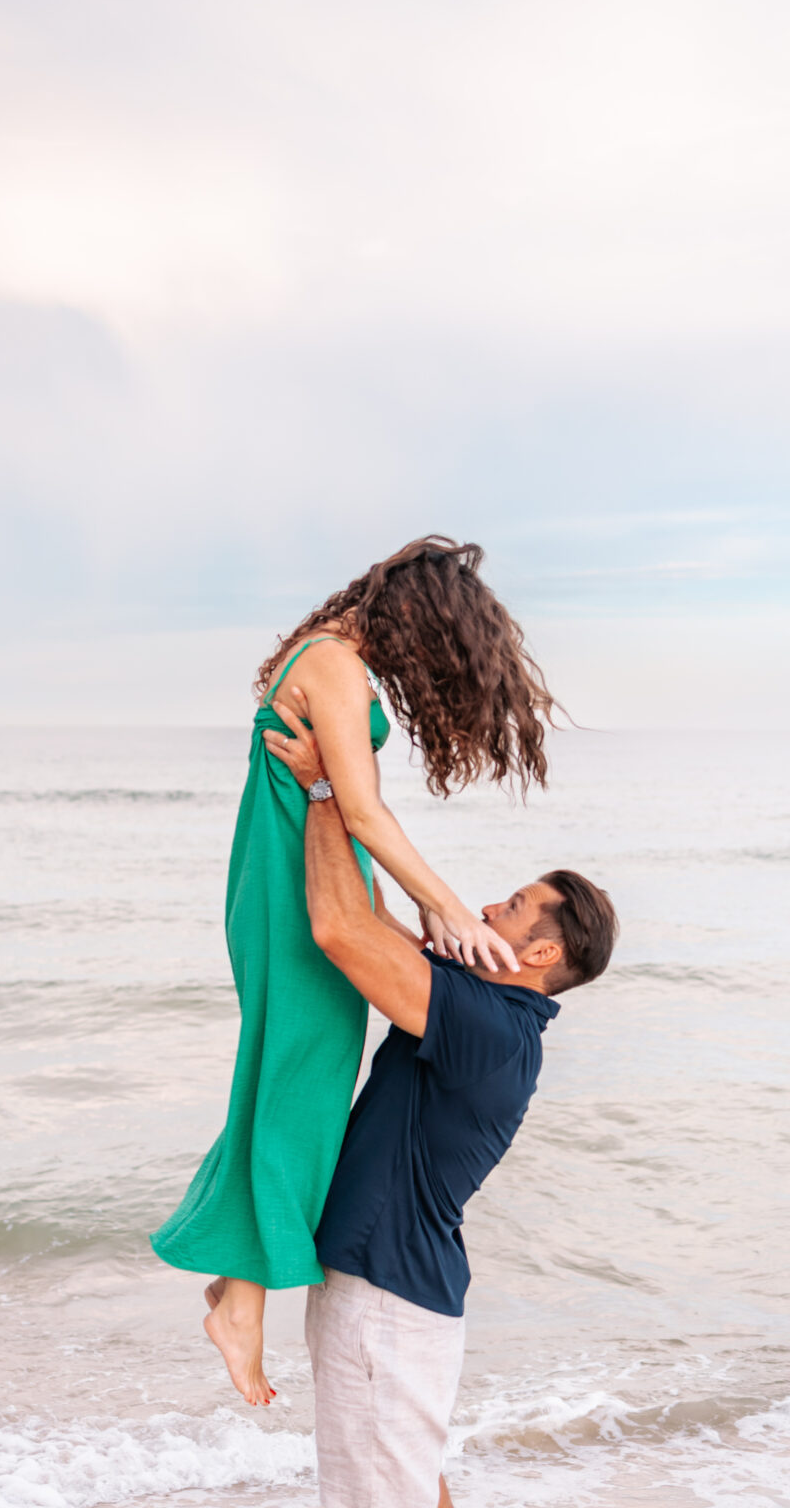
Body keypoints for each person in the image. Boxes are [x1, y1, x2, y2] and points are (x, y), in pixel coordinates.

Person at [265, 699, 618, 1508]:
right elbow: (384, 910)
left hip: (386, 1297)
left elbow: (334, 925)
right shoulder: (493, 1012)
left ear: (545, 953)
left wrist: (328, 790)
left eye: (513, 905)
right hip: (414, 1293)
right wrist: (349, 799)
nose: (487, 906)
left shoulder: (483, 1021)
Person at [151, 538, 556, 1408]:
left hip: (297, 876)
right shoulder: (333, 665)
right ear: (423, 622)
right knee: (296, 1084)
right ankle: (238, 1301)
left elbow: (344, 800)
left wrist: (405, 908)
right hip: (295, 891)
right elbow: (362, 809)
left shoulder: (326, 658)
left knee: (294, 1082)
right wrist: (444, 909)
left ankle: (241, 1291)